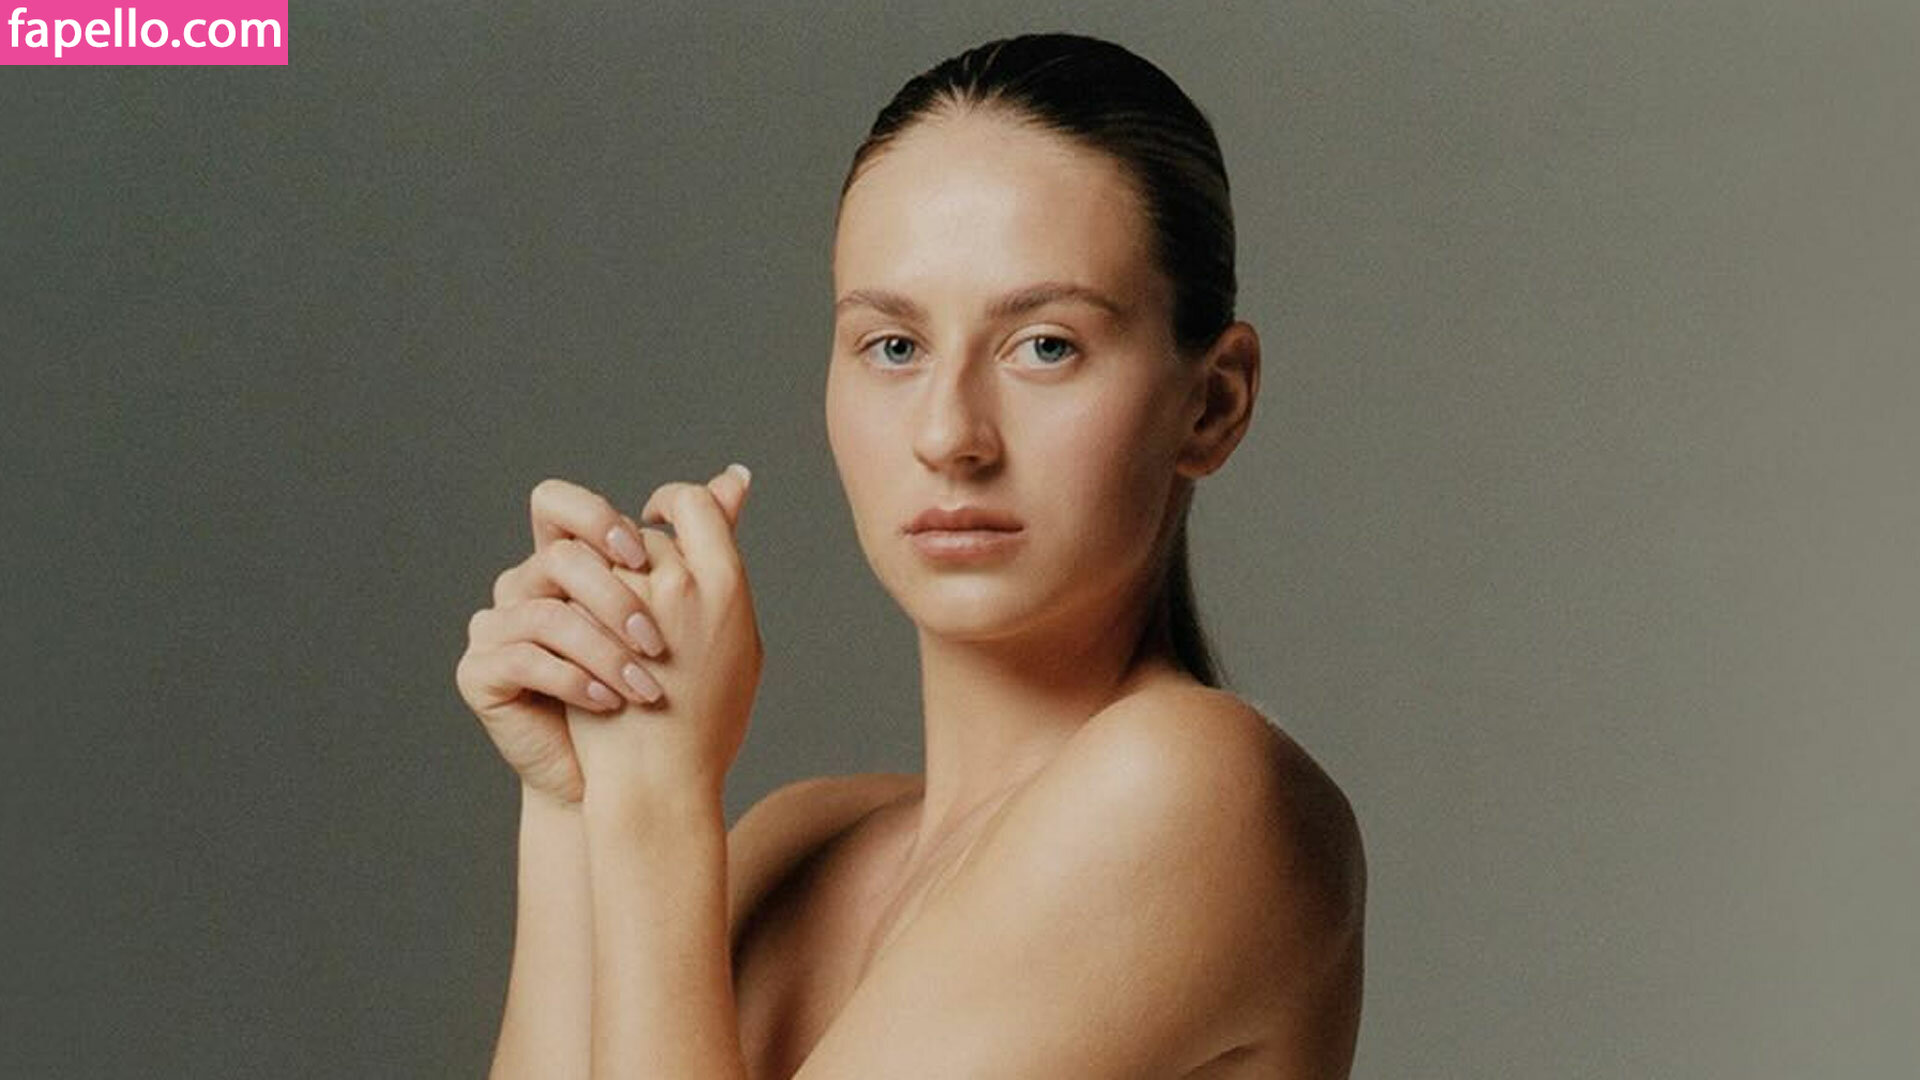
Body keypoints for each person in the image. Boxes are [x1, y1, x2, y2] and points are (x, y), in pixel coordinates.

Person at [456, 31, 1365, 1079]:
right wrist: (578, 797)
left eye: (1046, 345)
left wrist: (657, 809)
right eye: (894, 346)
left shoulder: (1196, 792)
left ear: (1213, 403)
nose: (949, 435)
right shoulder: (799, 839)